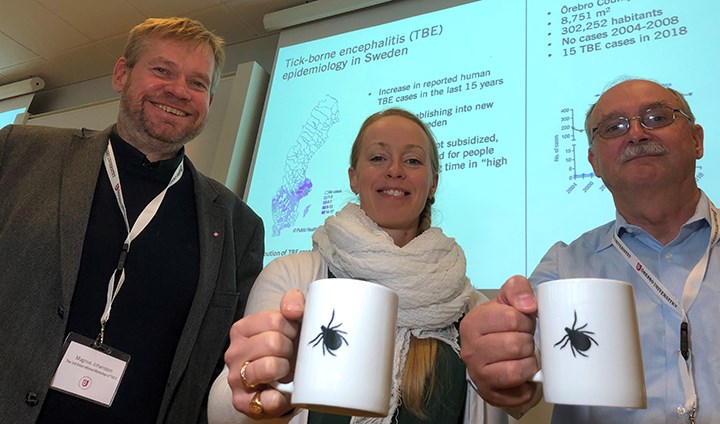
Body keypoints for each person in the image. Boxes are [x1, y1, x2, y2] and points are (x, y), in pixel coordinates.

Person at [0, 17, 264, 423]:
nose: (178, 91)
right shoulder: (19, 154)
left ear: (210, 99)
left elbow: (221, 365)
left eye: (198, 83)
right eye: (162, 70)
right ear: (122, 74)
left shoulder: (237, 225)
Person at [206, 108, 505, 424]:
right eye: (378, 158)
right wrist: (257, 389)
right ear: (353, 177)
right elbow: (226, 409)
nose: (395, 170)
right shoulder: (290, 278)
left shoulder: (468, 306)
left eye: (413, 160)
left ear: (433, 184)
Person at [459, 78, 720, 422]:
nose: (637, 134)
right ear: (594, 163)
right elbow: (522, 385)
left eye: (657, 118)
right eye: (614, 127)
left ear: (697, 140)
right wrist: (503, 366)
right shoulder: (564, 266)